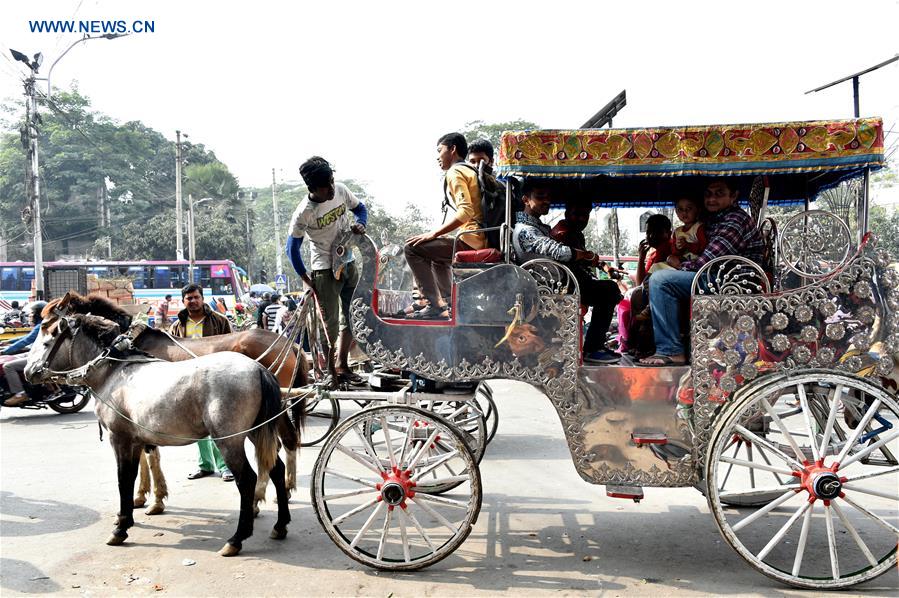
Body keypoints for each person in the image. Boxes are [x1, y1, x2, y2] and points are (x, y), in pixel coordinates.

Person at [639, 179, 765, 366]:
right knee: (651, 280)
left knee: (660, 280)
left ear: (734, 196)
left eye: (719, 193)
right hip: (716, 276)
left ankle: (671, 350)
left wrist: (678, 264)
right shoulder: (714, 220)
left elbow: (706, 263)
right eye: (708, 194)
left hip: (730, 282)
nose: (712, 199)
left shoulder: (735, 220)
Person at [513, 182, 621, 364]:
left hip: (559, 282)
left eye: (548, 196)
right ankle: (593, 348)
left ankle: (594, 346)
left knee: (607, 289)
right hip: (552, 286)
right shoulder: (526, 230)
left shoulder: (537, 227)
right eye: (540, 196)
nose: (546, 200)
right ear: (526, 200)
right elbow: (559, 251)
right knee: (608, 290)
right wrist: (587, 256)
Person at [287, 156, 368, 387]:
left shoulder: (341, 190)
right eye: (326, 186)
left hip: (348, 261)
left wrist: (361, 223)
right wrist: (305, 278)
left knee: (353, 315)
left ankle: (343, 365)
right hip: (324, 269)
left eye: (332, 181)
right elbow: (291, 248)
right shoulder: (304, 212)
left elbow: (360, 209)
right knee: (329, 325)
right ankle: (330, 371)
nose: (331, 189)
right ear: (313, 189)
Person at [403, 133, 485, 320]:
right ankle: (448, 304)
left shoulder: (455, 172)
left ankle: (434, 305)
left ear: (452, 149)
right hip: (479, 237)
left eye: (440, 150)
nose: (438, 156)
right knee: (437, 258)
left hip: (472, 239)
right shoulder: (470, 170)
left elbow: (465, 213)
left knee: (411, 248)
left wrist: (433, 234)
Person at [171, 283, 234, 481]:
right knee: (198, 426)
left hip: (216, 380)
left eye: (196, 297)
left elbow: (231, 346)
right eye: (189, 298)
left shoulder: (219, 321)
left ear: (203, 298)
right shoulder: (177, 325)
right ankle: (205, 465)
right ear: (183, 301)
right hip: (189, 381)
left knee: (218, 424)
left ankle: (225, 466)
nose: (193, 301)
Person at [1, 301, 47, 406]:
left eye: (32, 313)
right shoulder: (41, 325)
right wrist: (8, 342)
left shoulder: (41, 326)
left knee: (8, 366)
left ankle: (20, 393)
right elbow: (25, 338)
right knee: (10, 358)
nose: (30, 316)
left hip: (38, 357)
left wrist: (5, 351)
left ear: (38, 314)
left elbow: (25, 341)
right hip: (34, 354)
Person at [649, 196, 706, 274]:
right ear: (676, 212)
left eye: (689, 209)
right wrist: (678, 247)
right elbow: (674, 252)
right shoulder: (677, 231)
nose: (684, 212)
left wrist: (687, 245)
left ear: (697, 210)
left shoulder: (699, 227)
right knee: (666, 260)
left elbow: (703, 247)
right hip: (681, 260)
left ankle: (683, 270)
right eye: (680, 209)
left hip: (695, 261)